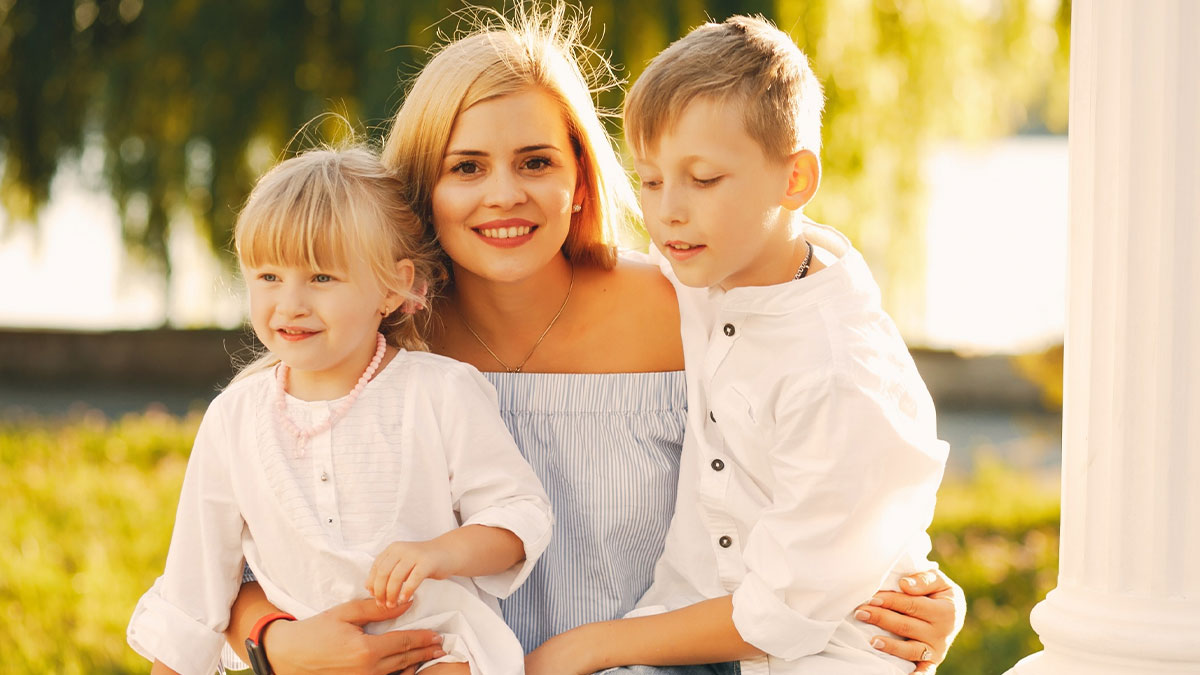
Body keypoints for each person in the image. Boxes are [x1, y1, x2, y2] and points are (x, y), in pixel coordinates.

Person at [221, 5, 964, 674]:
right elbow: (228, 546)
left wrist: (894, 578)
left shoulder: (693, 307)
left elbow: (821, 474)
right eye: (466, 166)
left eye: (537, 161)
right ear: (423, 186)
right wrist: (274, 644)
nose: (504, 194)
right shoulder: (363, 343)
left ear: (581, 176)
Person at [523, 14, 949, 675]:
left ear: (795, 181)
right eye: (652, 179)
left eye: (704, 178)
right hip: (688, 630)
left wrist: (592, 644)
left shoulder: (840, 369)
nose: (668, 212)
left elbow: (783, 612)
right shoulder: (706, 277)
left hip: (830, 649)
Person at [127, 146, 553, 675]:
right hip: (307, 661)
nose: (291, 303)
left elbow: (519, 516)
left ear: (393, 287)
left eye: (322, 278)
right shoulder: (234, 419)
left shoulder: (439, 391)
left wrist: (442, 552)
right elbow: (195, 589)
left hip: (434, 651)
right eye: (268, 277)